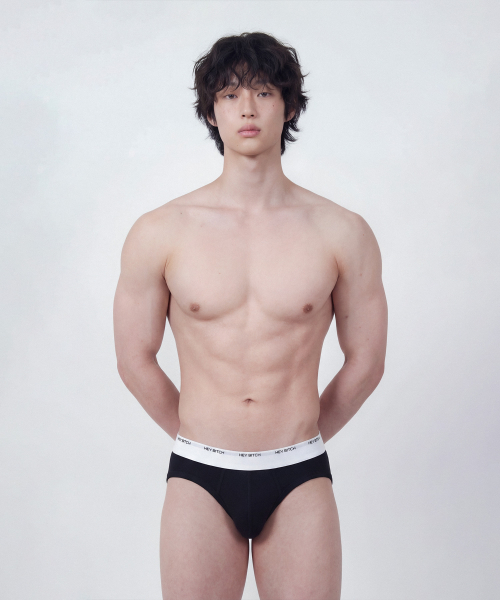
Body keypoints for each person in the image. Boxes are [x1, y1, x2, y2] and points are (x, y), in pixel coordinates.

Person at [113, 31, 388, 600]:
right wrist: (197, 434)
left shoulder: (341, 231)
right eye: (230, 94)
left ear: (289, 107)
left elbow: (367, 361)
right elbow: (134, 358)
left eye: (263, 92)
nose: (247, 108)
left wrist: (303, 435)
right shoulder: (161, 231)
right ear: (210, 111)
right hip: (199, 475)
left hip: (298, 474)